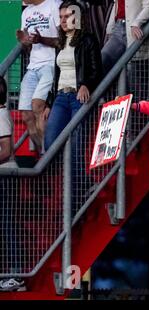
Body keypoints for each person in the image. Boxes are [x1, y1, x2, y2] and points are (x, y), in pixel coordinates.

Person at [44, 0, 102, 152]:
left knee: (77, 145)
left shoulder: (88, 40)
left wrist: (86, 84)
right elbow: (56, 75)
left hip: (79, 97)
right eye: (61, 17)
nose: (63, 20)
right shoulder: (60, 43)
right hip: (60, 97)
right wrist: (49, 103)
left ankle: (75, 176)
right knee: (50, 141)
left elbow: (97, 70)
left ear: (77, 18)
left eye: (67, 16)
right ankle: (60, 174)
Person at [17, 0, 62, 154]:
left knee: (38, 107)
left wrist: (41, 39)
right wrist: (24, 43)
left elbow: (64, 41)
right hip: (32, 66)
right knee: (26, 115)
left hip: (50, 64)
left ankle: (50, 154)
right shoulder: (26, 12)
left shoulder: (54, 5)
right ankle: (43, 154)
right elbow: (28, 47)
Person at [0, 76, 24, 292]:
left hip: (5, 177)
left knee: (8, 226)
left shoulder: (1, 115)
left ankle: (16, 275)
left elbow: (6, 150)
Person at [102, 0, 149, 75]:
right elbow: (116, 5)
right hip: (118, 28)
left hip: (135, 29)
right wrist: (110, 27)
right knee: (103, 59)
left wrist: (136, 23)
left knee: (131, 72)